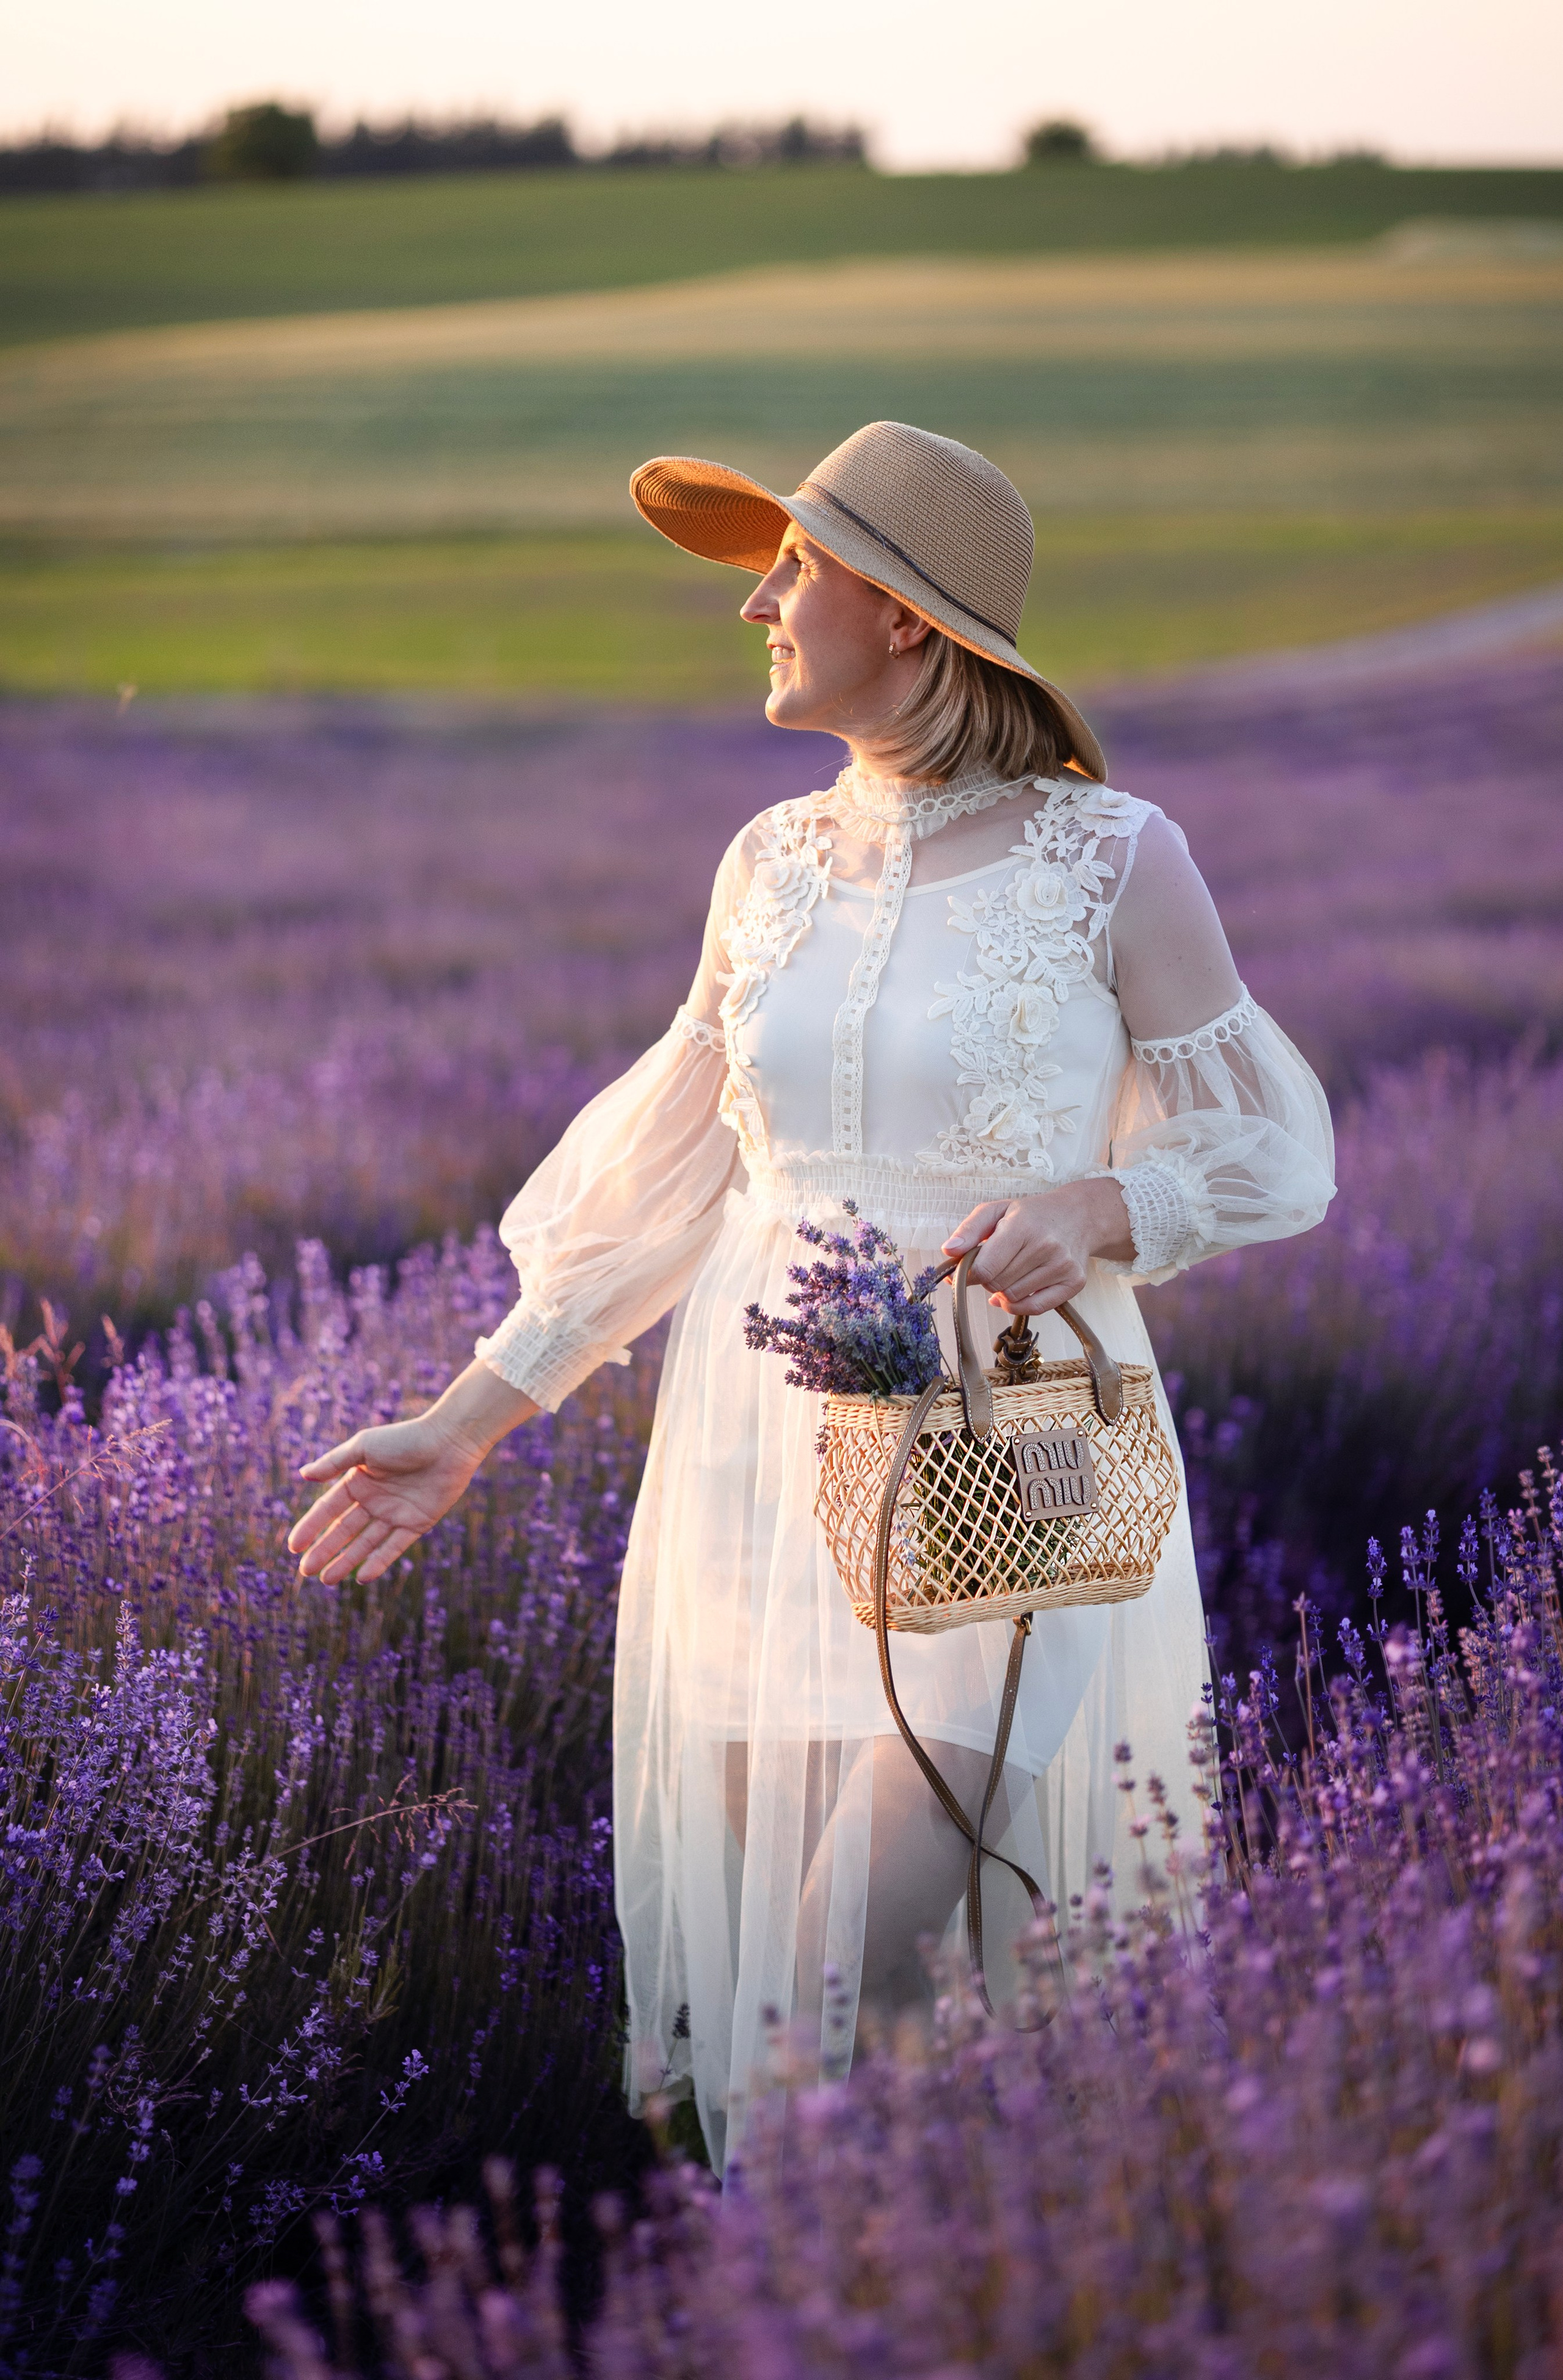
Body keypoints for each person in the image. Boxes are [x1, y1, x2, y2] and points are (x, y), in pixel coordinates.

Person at [289, 422, 1335, 2171]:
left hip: (1012, 1440)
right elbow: (675, 1179)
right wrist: (467, 1423)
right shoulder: (766, 862)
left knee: (840, 1968)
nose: (762, 605)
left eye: (797, 570)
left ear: (909, 617)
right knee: (787, 2029)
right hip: (757, 1460)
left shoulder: (1114, 856)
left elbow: (1273, 1139)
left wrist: (1105, 1202)